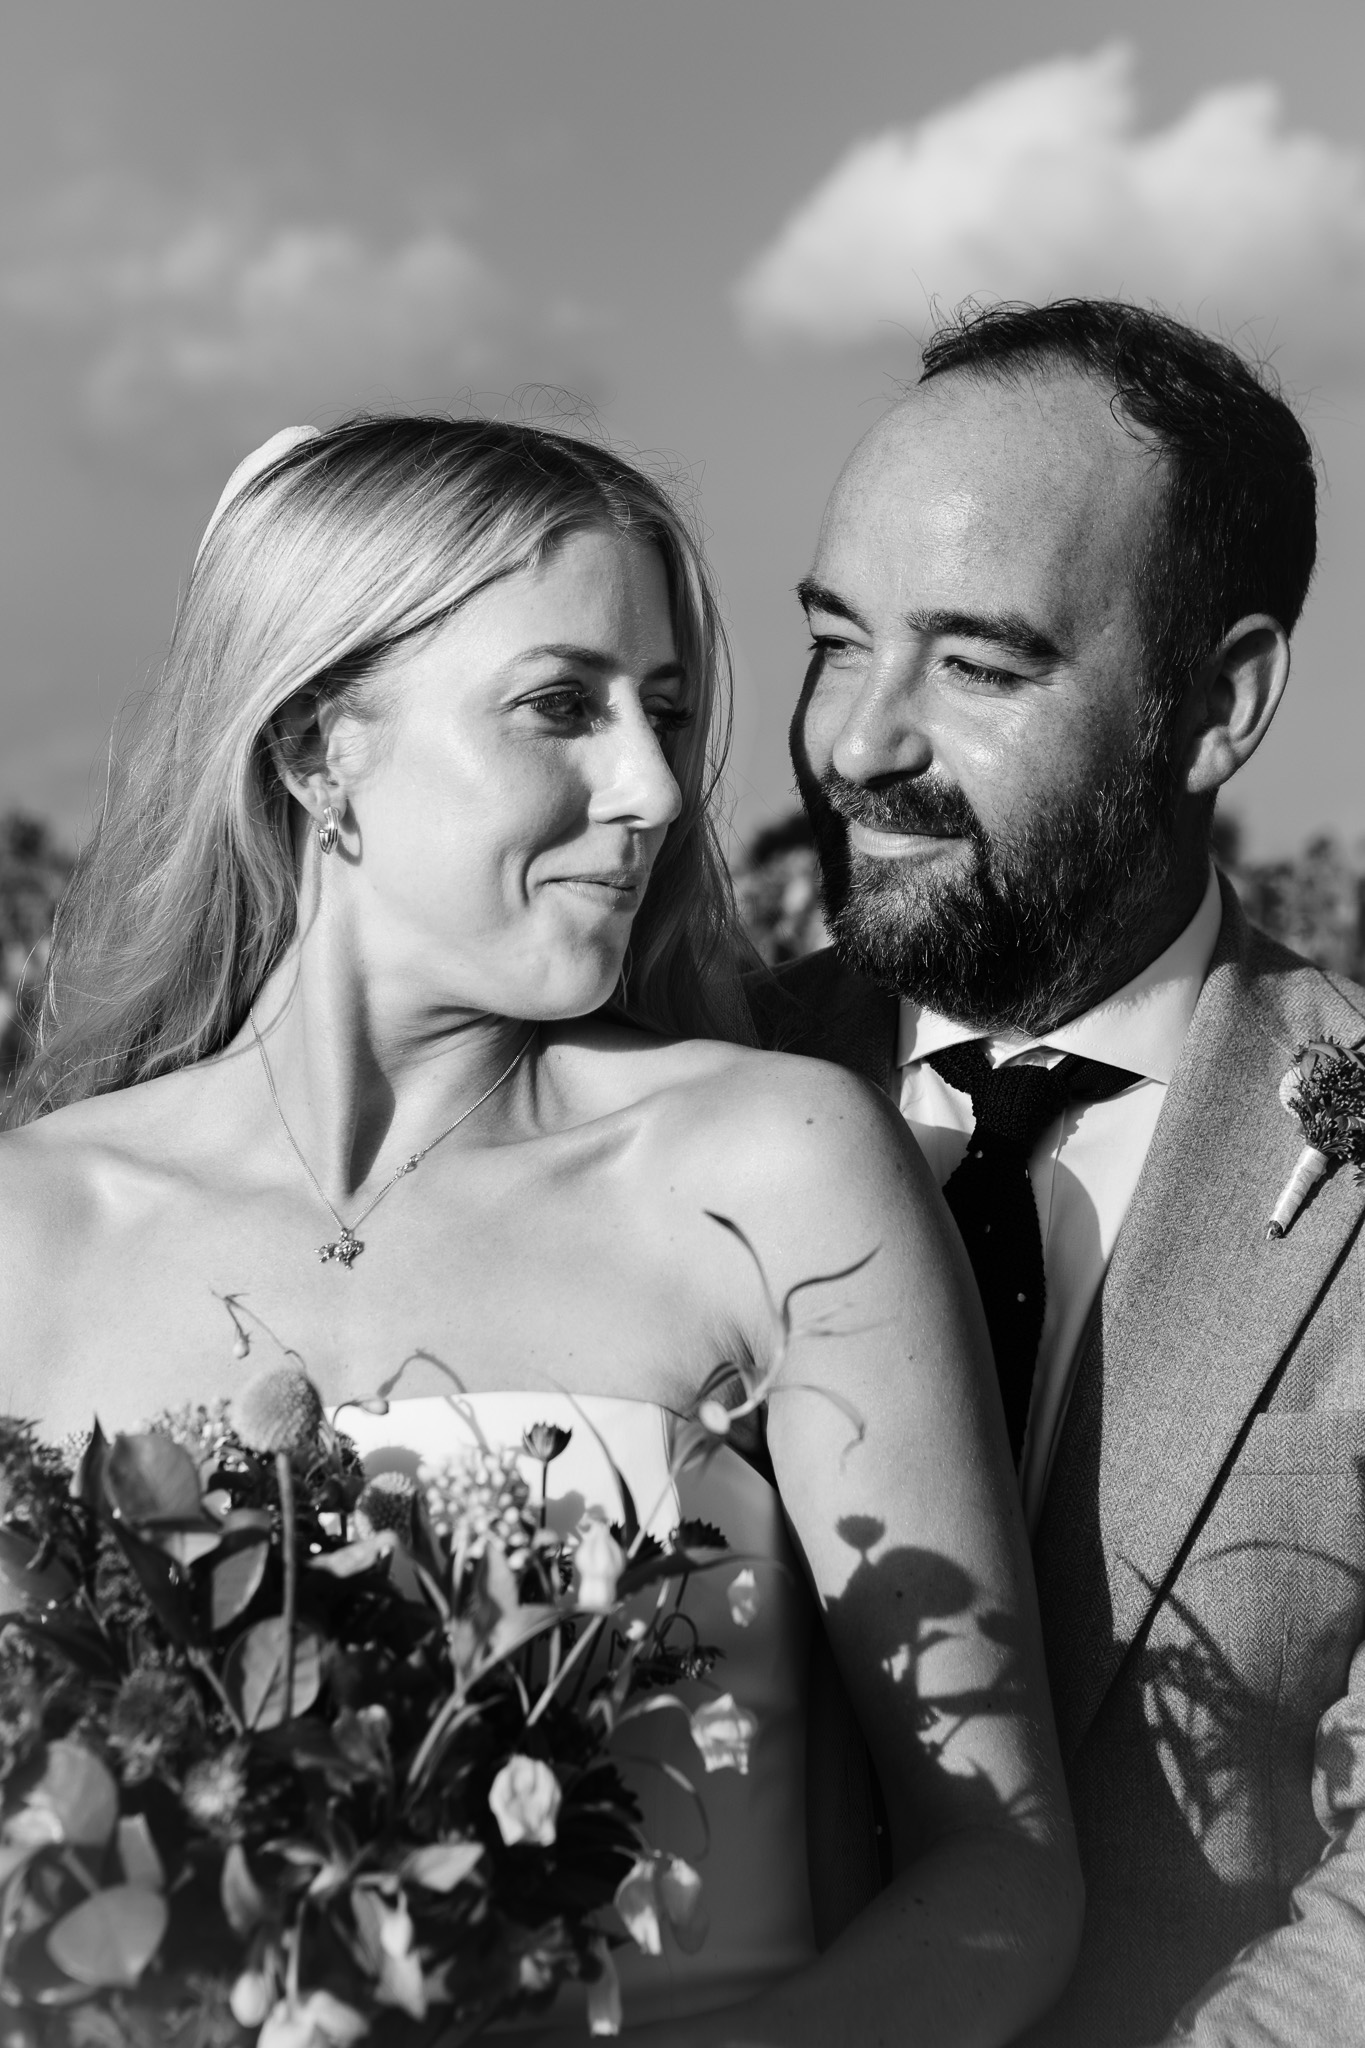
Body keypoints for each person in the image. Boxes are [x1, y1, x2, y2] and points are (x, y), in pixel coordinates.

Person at [0, 418, 1081, 2044]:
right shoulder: (30, 1225)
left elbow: (996, 1883)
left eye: (666, 711)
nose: (650, 789)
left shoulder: (772, 1166)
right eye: (560, 707)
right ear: (314, 746)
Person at [756, 296, 1365, 2046]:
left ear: (1219, 702)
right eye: (832, 638)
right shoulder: (656, 1100)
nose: (856, 744)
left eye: (976, 666)